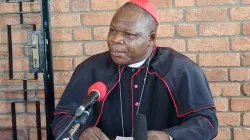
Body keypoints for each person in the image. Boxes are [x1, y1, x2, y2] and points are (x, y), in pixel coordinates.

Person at [52, 0, 218, 139]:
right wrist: (80, 132)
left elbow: (206, 122)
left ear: (151, 39)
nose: (115, 39)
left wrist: (169, 136)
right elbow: (62, 118)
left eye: (129, 35)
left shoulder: (180, 69)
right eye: (113, 30)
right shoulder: (90, 68)